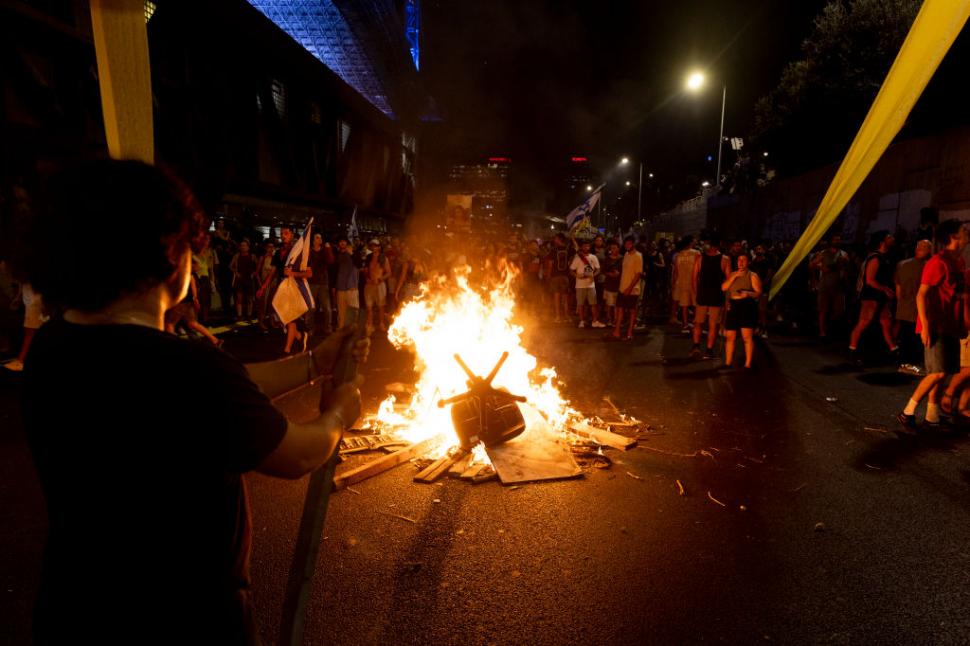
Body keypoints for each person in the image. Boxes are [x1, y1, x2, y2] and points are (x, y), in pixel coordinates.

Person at [20, 159, 368, 643]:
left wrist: (314, 363)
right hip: (188, 617)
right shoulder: (186, 370)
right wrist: (339, 412)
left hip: (75, 608)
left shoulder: (53, 348)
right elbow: (297, 453)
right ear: (163, 254)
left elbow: (222, 393)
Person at [897, 220, 968, 432]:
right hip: (935, 325)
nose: (967, 234)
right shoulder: (937, 262)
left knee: (943, 371)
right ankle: (907, 412)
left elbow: (958, 294)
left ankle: (931, 415)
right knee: (935, 373)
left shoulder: (959, 262)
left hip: (951, 325)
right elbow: (921, 294)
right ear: (954, 237)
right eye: (963, 231)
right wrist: (925, 326)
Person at [848, 231, 899, 366]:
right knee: (864, 322)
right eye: (889, 237)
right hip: (871, 296)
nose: (892, 239)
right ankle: (852, 351)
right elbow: (869, 280)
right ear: (882, 241)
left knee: (886, 322)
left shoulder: (884, 257)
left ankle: (893, 350)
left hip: (880, 296)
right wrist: (885, 289)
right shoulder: (875, 258)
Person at [894, 239, 932, 374]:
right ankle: (909, 364)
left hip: (904, 306)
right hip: (917, 308)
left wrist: (901, 303)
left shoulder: (902, 264)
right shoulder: (927, 266)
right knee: (913, 339)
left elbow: (897, 287)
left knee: (906, 337)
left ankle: (905, 363)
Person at [691, 234, 731, 359]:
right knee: (713, 324)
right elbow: (728, 280)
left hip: (703, 294)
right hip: (716, 296)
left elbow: (694, 278)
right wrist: (727, 299)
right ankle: (708, 350)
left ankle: (696, 346)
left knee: (699, 322)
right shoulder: (725, 259)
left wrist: (696, 292)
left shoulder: (700, 258)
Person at [722, 251, 763, 368]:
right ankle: (728, 362)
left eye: (743, 260)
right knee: (730, 336)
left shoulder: (752, 275)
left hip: (746, 306)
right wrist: (734, 276)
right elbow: (724, 288)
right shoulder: (732, 274)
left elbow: (758, 293)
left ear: (748, 262)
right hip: (733, 305)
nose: (741, 262)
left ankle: (748, 363)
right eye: (739, 260)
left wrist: (748, 294)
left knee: (747, 337)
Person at [811, 235, 848, 338]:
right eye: (835, 239)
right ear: (831, 241)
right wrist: (820, 267)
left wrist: (845, 264)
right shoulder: (823, 253)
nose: (838, 241)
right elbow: (812, 265)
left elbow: (847, 268)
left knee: (839, 311)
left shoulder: (844, 254)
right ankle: (822, 332)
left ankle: (828, 326)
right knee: (823, 309)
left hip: (838, 286)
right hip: (825, 285)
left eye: (839, 239)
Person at [611, 236, 643, 340]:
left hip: (632, 290)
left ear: (633, 244)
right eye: (626, 244)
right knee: (620, 310)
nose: (627, 245)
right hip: (622, 287)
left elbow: (638, 274)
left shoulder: (638, 256)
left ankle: (629, 333)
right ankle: (617, 331)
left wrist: (629, 288)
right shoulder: (626, 254)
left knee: (632, 312)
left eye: (629, 243)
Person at [570, 240, 603, 328]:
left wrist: (593, 275)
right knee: (581, 304)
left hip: (591, 285)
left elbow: (598, 269)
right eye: (585, 246)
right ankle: (581, 321)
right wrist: (577, 275)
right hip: (580, 285)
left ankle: (594, 321)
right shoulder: (577, 258)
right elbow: (571, 270)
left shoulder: (593, 257)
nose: (586, 248)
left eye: (588, 246)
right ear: (581, 247)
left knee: (593, 304)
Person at [670, 235, 699, 332]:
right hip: (693, 281)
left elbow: (676, 271)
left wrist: (674, 283)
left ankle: (685, 324)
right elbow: (699, 268)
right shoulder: (697, 253)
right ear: (691, 242)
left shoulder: (679, 255)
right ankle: (696, 323)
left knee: (684, 304)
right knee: (696, 303)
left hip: (682, 281)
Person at [306, 233, 334, 337]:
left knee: (326, 307)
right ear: (313, 241)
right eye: (317, 237)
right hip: (312, 282)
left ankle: (327, 327)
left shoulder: (324, 251)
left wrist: (328, 249)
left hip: (323, 283)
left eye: (320, 237)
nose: (320, 239)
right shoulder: (309, 251)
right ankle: (310, 328)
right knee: (311, 308)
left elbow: (330, 261)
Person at [364, 239, 391, 332]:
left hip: (380, 285)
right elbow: (366, 271)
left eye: (375, 245)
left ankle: (381, 323)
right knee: (369, 307)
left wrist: (380, 279)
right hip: (369, 285)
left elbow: (388, 273)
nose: (373, 247)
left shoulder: (384, 258)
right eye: (372, 245)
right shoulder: (368, 258)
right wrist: (367, 277)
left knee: (381, 306)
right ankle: (370, 325)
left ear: (379, 247)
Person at [545, 233, 572, 323]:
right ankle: (567, 316)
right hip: (565, 276)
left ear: (559, 239)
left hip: (555, 276)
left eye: (555, 239)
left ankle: (558, 317)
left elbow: (550, 264)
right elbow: (576, 252)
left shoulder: (553, 250)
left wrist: (548, 275)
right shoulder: (568, 249)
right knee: (565, 297)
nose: (554, 240)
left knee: (557, 297)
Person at [334, 237, 360, 329]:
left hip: (352, 287)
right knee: (341, 311)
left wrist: (352, 253)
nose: (342, 243)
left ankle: (353, 329)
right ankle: (341, 328)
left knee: (353, 310)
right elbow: (333, 270)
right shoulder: (336, 255)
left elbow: (359, 264)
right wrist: (334, 286)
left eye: (344, 241)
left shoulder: (354, 253)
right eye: (340, 241)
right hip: (340, 287)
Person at [230, 239, 257, 321]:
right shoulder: (237, 256)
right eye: (241, 245)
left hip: (249, 279)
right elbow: (230, 266)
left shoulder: (252, 256)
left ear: (248, 247)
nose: (243, 247)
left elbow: (258, 266)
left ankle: (249, 315)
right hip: (240, 279)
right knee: (239, 298)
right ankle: (239, 315)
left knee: (249, 298)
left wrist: (253, 274)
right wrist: (236, 272)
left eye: (244, 245)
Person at [254, 240, 278, 331]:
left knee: (272, 303)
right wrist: (260, 284)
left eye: (272, 247)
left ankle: (271, 321)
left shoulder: (275, 258)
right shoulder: (263, 258)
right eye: (269, 246)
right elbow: (256, 273)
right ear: (266, 248)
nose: (271, 248)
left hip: (273, 283)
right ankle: (261, 322)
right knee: (263, 304)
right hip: (264, 283)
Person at [602, 241, 622, 326]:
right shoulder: (607, 259)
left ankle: (616, 320)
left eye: (615, 248)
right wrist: (610, 274)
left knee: (617, 304)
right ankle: (609, 319)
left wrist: (619, 273)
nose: (613, 250)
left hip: (619, 285)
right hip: (609, 284)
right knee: (609, 304)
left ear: (618, 248)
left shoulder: (622, 258)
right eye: (611, 248)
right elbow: (603, 270)